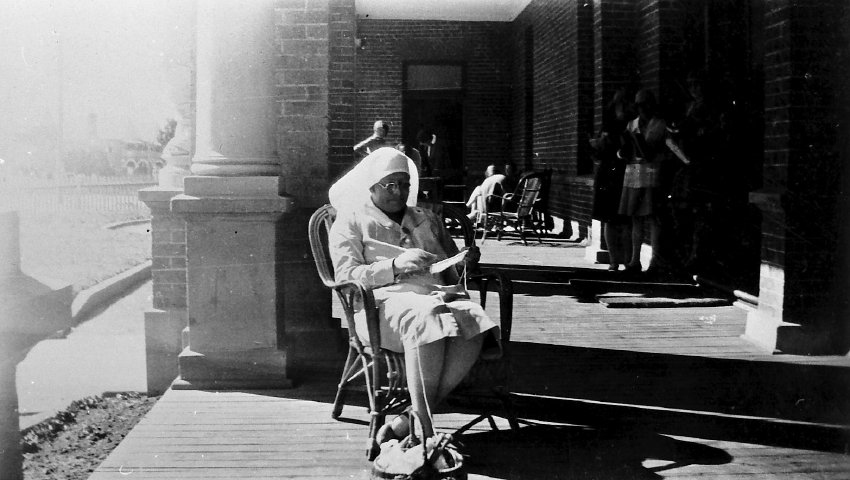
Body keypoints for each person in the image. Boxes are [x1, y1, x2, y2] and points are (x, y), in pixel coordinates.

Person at [327, 147, 502, 440]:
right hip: (378, 306)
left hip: (434, 296)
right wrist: (394, 265)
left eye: (405, 185)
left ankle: (410, 419)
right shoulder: (351, 220)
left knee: (473, 317)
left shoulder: (426, 218)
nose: (399, 192)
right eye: (390, 185)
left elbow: (448, 267)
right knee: (427, 317)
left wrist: (463, 263)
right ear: (371, 185)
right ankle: (425, 432)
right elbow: (347, 277)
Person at [617, 89, 667, 274]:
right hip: (633, 175)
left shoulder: (660, 124)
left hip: (653, 174)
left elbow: (665, 149)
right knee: (635, 219)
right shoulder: (632, 125)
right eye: (639, 104)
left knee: (654, 218)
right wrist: (622, 152)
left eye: (646, 104)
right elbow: (623, 150)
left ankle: (655, 261)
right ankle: (634, 260)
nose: (642, 108)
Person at [590, 89, 633, 271]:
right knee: (610, 219)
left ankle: (625, 260)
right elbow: (598, 154)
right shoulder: (609, 127)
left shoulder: (630, 125)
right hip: (610, 173)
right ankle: (615, 260)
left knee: (624, 220)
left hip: (621, 172)